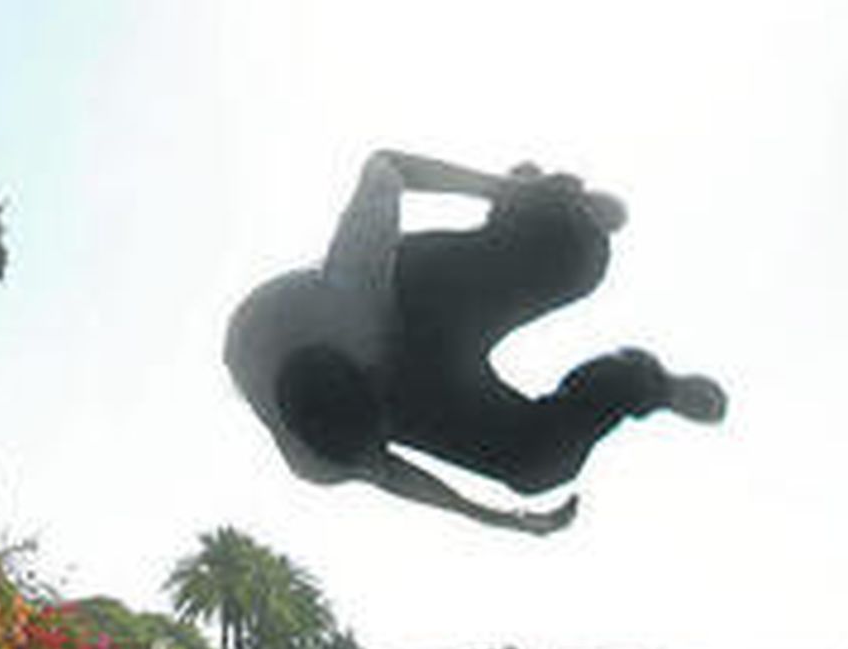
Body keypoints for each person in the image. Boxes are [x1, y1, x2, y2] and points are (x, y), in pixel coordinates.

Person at [225, 150, 727, 535]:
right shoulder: (318, 459)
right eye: (381, 417)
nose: (385, 381)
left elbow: (387, 167)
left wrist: (506, 190)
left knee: (572, 256)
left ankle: (533, 213)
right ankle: (642, 384)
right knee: (536, 464)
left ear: (359, 364)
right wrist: (500, 519)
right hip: (404, 387)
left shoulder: (344, 298)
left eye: (376, 379)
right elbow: (400, 478)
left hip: (406, 299)